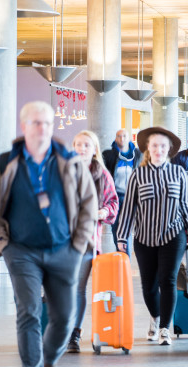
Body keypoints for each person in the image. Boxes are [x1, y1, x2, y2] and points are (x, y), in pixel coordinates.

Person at [0, 101, 97, 367]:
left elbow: (88, 204)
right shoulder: (5, 164)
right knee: (28, 312)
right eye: (36, 123)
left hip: (64, 251)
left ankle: (45, 366)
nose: (42, 128)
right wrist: (3, 244)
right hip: (21, 252)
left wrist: (78, 245)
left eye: (47, 123)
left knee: (65, 318)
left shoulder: (69, 161)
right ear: (24, 127)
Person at [115, 127, 188, 347]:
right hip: (144, 237)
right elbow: (129, 208)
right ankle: (155, 318)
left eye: (163, 146)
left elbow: (184, 205)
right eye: (155, 145)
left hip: (173, 234)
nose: (159, 149)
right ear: (148, 149)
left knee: (168, 280)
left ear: (169, 149)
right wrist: (122, 237)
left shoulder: (178, 173)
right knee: (148, 285)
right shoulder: (138, 174)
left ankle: (164, 328)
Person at [67, 130, 119, 353]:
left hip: (88, 241)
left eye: (86, 145)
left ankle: (74, 335)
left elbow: (113, 204)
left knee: (78, 289)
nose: (81, 149)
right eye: (78, 144)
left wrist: (103, 212)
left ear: (94, 149)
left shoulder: (102, 175)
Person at [102, 129, 142, 254]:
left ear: (129, 138)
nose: (122, 138)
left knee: (126, 229)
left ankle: (125, 259)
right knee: (116, 228)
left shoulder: (138, 154)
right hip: (115, 197)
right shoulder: (108, 155)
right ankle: (121, 255)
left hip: (131, 197)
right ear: (115, 139)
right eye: (119, 136)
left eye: (124, 136)